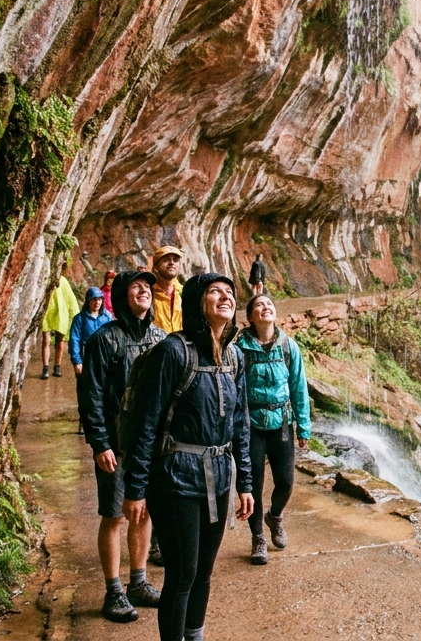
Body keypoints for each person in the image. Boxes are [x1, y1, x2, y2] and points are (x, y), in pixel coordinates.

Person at [123, 273, 254, 641]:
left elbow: (240, 423)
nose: (225, 297)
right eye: (215, 292)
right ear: (197, 301)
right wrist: (136, 488)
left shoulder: (234, 357)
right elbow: (146, 423)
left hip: (218, 474)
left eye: (230, 293)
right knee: (182, 573)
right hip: (175, 476)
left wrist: (245, 482)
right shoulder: (173, 351)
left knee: (204, 573)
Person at [77, 271, 166, 623]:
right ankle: (113, 590)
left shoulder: (161, 339)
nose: (143, 289)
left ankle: (138, 582)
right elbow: (91, 394)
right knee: (114, 515)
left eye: (147, 285)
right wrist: (99, 442)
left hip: (149, 446)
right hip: (115, 443)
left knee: (142, 512)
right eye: (135, 286)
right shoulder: (104, 340)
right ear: (121, 294)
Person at [234, 294, 311, 565]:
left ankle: (274, 516)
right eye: (258, 305)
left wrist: (303, 427)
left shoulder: (289, 347)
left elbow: (298, 388)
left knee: (286, 482)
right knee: (253, 485)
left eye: (269, 304)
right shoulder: (239, 348)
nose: (265, 308)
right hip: (251, 425)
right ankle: (257, 539)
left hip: (281, 423)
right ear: (251, 317)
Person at [41, 270, 81, 379]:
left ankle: (57, 366)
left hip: (61, 315)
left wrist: (75, 315)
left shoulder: (63, 281)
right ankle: (45, 368)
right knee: (46, 341)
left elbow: (70, 299)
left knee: (60, 341)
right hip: (47, 314)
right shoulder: (46, 279)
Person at [69, 287, 113, 376]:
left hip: (103, 356)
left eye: (99, 299)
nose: (97, 303)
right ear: (88, 301)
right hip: (86, 356)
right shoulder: (79, 318)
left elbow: (112, 337)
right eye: (94, 299)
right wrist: (77, 361)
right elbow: (74, 340)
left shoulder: (107, 316)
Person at [151, 246, 184, 334]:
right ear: (155, 267)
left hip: (181, 345)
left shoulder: (185, 293)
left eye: (175, 260)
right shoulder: (148, 293)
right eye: (166, 260)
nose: (171, 263)